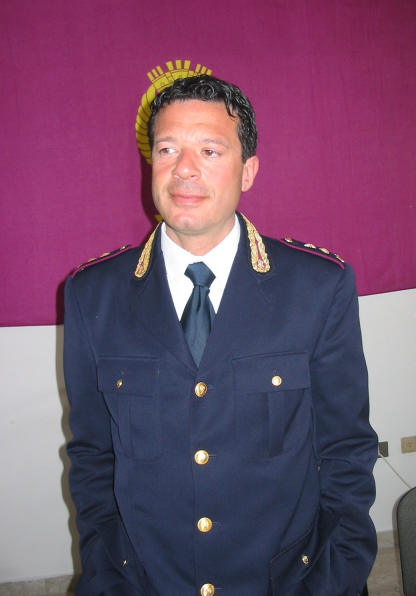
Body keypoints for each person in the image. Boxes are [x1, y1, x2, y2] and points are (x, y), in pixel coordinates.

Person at [64, 75, 377, 596]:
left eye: (210, 150)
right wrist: (107, 575)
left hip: (289, 582)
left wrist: (333, 579)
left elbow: (346, 450)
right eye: (167, 149)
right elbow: (93, 458)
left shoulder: (317, 287)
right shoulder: (93, 295)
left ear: (248, 170)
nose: (184, 169)